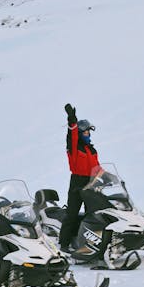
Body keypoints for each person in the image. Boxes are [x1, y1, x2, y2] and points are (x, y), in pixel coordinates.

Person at [59, 103, 104, 252]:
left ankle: (90, 243)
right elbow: (71, 134)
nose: (88, 135)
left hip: (91, 182)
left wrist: (107, 179)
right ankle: (64, 245)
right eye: (85, 133)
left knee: (93, 214)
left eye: (89, 133)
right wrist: (72, 120)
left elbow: (97, 167)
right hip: (77, 183)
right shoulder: (74, 147)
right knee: (72, 213)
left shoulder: (91, 149)